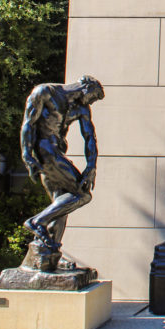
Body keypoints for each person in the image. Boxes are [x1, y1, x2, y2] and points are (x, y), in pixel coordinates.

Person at [21, 75, 105, 255]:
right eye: (93, 97)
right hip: (44, 151)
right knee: (82, 195)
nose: (91, 102)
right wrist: (27, 155)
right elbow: (28, 124)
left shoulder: (80, 108)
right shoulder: (46, 92)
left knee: (61, 204)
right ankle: (37, 222)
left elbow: (90, 137)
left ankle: (49, 254)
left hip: (56, 152)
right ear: (86, 88)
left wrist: (91, 167)